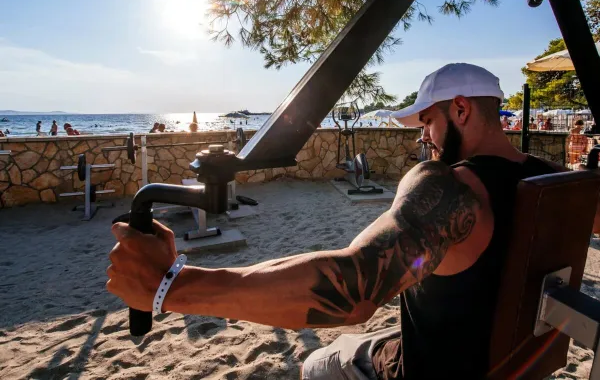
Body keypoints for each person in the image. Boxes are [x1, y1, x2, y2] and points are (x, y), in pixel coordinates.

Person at [106, 63, 598, 379]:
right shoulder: (558, 181)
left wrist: (169, 285)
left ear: (461, 110)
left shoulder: (449, 187)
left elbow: (353, 289)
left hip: (433, 370)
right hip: (515, 364)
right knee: (361, 343)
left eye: (427, 122)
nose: (423, 138)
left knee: (319, 362)